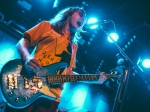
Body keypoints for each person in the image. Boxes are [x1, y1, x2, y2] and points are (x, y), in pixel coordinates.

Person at [5, 6, 106, 112]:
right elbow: (23, 41)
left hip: (52, 96)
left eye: (84, 19)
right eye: (81, 14)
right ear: (69, 14)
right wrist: (27, 57)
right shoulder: (47, 26)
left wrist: (94, 79)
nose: (83, 19)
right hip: (29, 83)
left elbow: (68, 73)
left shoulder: (73, 46)